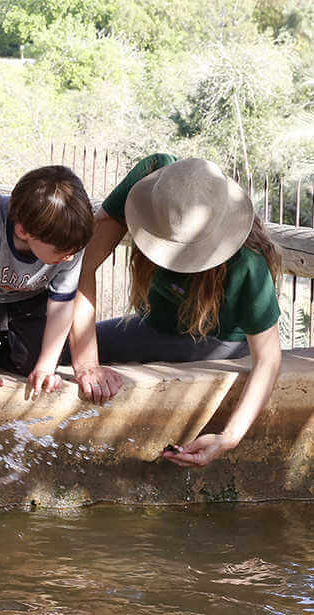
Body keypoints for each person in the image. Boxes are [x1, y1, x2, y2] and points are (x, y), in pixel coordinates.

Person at [69, 154, 284, 467]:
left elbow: (268, 358)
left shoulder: (248, 263)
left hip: (213, 341)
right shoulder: (152, 178)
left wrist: (228, 438)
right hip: (152, 323)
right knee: (41, 351)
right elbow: (83, 265)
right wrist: (87, 363)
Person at [0, 164, 120, 400]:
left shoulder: (70, 242)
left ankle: (3, 343)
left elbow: (62, 306)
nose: (69, 258)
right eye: (62, 251)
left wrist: (46, 367)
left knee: (32, 364)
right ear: (23, 231)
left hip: (28, 293)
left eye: (73, 251)